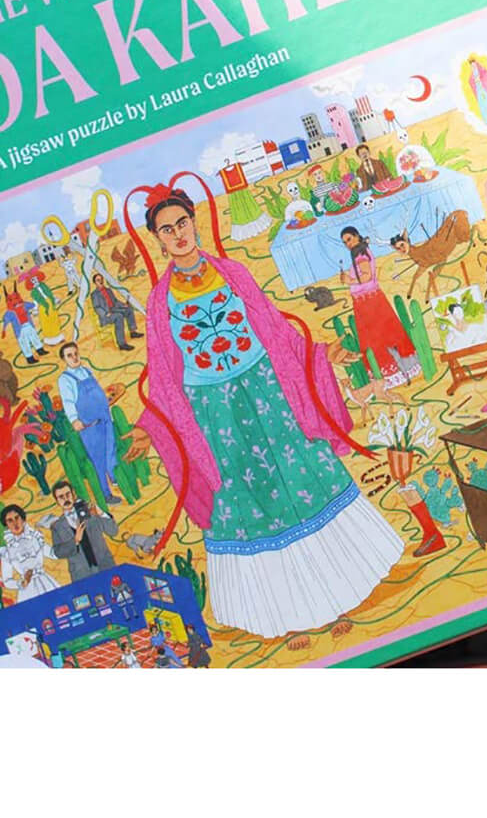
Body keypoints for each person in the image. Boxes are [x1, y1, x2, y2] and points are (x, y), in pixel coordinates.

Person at [123, 181, 403, 642]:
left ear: (194, 222)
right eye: (166, 230)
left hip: (270, 391)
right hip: (215, 414)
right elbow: (164, 379)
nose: (178, 234)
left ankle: (340, 597)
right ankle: (279, 618)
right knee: (247, 502)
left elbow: (278, 332)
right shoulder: (159, 303)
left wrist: (322, 355)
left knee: (304, 479)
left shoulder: (233, 273)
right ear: (157, 240)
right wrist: (148, 428)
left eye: (182, 223)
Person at [340, 226, 415, 382]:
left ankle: (394, 372)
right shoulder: (361, 252)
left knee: (378, 337)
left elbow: (367, 276)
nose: (348, 244)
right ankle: (400, 371)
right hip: (368, 299)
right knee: (384, 334)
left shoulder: (360, 254)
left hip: (369, 302)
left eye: (349, 239)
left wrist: (349, 280)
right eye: (345, 242)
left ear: (357, 236)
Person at [58, 342, 123, 505]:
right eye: (69, 355)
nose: (74, 358)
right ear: (64, 359)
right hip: (90, 426)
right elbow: (68, 401)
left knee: (111, 449)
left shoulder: (87, 371)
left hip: (105, 419)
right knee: (97, 460)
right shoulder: (65, 379)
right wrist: (74, 419)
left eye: (75, 353)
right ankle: (106, 494)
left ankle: (116, 478)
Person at [47, 480, 118, 582]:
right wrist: (75, 540)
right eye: (61, 497)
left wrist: (101, 513)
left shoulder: (90, 512)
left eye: (68, 494)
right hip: (81, 574)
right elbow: (58, 552)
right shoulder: (57, 526)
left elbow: (113, 531)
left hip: (105, 566)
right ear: (57, 501)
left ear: (73, 494)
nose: (66, 499)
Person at [0, 504, 60, 600]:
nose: (15, 523)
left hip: (46, 582)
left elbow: (54, 554)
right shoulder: (6, 552)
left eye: (17, 518)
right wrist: (21, 583)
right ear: (6, 525)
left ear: (22, 519)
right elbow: (7, 581)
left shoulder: (35, 538)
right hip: (27, 591)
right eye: (10, 520)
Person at [90, 272, 143, 351]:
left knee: (129, 309)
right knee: (119, 316)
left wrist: (124, 305)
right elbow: (96, 307)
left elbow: (115, 301)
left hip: (114, 309)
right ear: (95, 283)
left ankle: (133, 332)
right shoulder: (94, 294)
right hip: (106, 316)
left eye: (101, 279)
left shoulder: (108, 290)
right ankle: (122, 344)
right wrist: (105, 313)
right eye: (98, 280)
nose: (101, 281)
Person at [1, 285, 45, 364]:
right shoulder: (9, 312)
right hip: (20, 329)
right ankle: (29, 358)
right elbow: (6, 321)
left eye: (16, 298)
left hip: (29, 325)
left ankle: (40, 350)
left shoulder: (24, 305)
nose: (15, 302)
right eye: (11, 300)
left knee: (34, 337)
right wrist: (4, 330)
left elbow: (32, 305)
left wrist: (28, 303)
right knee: (24, 343)